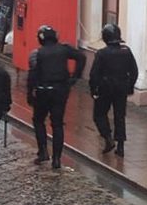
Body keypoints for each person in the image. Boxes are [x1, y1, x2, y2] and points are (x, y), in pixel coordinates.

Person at [27, 25, 86, 169]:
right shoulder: (64, 49)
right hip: (60, 91)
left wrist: (30, 93)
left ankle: (43, 152)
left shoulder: (37, 54)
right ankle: (57, 159)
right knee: (57, 124)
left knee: (38, 120)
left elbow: (32, 75)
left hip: (43, 91)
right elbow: (81, 57)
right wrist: (75, 76)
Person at [89, 23, 138, 158]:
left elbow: (94, 74)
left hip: (105, 88)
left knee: (99, 114)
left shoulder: (102, 54)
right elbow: (134, 71)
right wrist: (130, 86)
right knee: (120, 116)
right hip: (121, 87)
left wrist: (93, 89)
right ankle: (120, 146)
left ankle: (108, 138)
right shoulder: (126, 51)